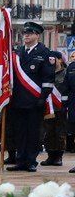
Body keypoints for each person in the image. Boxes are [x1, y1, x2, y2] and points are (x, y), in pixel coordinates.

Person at [8, 21, 52, 173]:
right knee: (19, 132)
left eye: (29, 33)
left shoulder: (44, 53)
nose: (25, 35)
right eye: (24, 33)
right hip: (18, 100)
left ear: (37, 35)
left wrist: (42, 97)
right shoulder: (18, 53)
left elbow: (48, 79)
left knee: (33, 133)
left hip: (34, 100)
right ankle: (20, 160)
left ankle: (31, 161)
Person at [44, 50, 67, 168]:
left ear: (60, 60)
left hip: (60, 107)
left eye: (54, 59)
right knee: (48, 132)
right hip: (48, 107)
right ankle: (50, 155)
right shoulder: (47, 73)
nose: (52, 61)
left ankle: (58, 156)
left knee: (60, 132)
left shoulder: (65, 73)